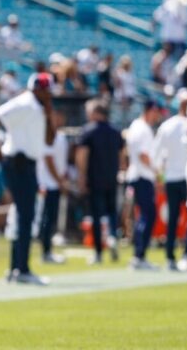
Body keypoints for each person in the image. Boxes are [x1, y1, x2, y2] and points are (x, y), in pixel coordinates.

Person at [0, 73, 55, 285]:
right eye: (44, 88)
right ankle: (21, 268)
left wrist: (49, 113)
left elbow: (49, 139)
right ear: (35, 88)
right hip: (19, 163)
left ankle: (16, 267)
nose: (47, 92)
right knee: (25, 216)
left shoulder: (38, 107)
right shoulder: (24, 103)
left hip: (28, 165)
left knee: (23, 216)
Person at [75, 99, 125, 265]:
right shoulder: (116, 131)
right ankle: (111, 237)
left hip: (94, 179)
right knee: (111, 213)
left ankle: (98, 252)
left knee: (96, 216)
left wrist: (81, 177)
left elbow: (82, 156)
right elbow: (122, 155)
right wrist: (119, 172)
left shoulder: (88, 131)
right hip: (112, 178)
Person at [154, 89, 187, 271]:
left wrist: (160, 177)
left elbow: (157, 156)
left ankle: (172, 255)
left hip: (172, 178)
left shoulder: (167, 126)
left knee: (174, 219)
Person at [126, 100, 161, 270]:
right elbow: (143, 155)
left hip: (138, 175)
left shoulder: (136, 126)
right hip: (142, 176)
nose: (157, 116)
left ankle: (139, 254)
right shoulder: (142, 129)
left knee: (145, 215)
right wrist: (157, 172)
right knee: (148, 215)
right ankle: (139, 255)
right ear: (149, 110)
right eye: (156, 112)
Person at [38, 111, 68, 264]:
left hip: (56, 183)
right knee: (47, 219)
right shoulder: (47, 136)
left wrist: (62, 178)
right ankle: (45, 251)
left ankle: (48, 250)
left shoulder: (61, 137)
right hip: (48, 183)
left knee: (52, 218)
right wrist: (59, 180)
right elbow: (48, 160)